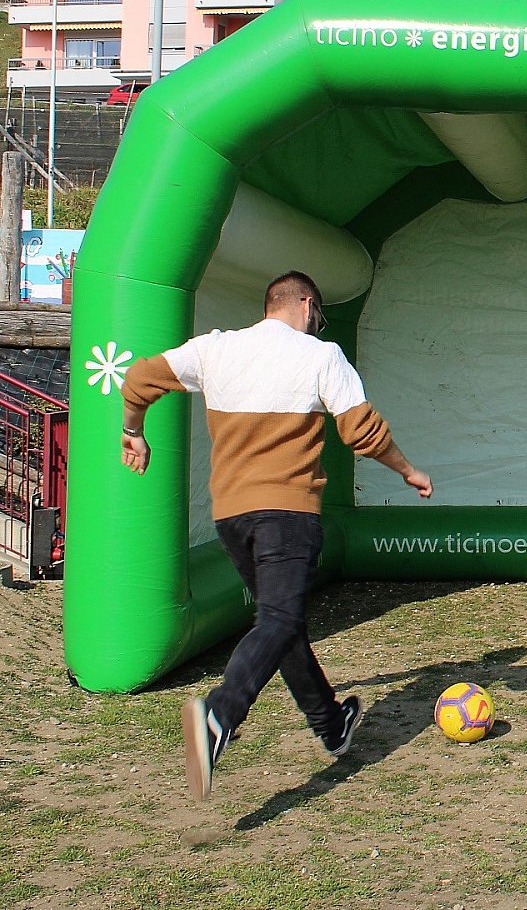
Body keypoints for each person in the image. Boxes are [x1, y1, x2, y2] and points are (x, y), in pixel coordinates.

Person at [119, 270, 433, 801]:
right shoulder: (320, 356)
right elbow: (360, 430)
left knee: (281, 623)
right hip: (287, 514)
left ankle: (331, 724)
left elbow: (139, 379)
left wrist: (132, 432)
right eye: (319, 315)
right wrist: (406, 469)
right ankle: (217, 717)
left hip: (232, 517)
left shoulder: (214, 350)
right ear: (307, 305)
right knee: (280, 619)